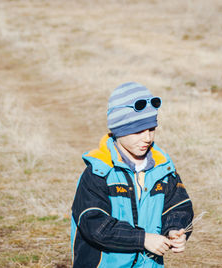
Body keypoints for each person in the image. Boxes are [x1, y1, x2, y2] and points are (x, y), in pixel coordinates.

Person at [70, 82, 194, 267]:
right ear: (118, 130)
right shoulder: (98, 173)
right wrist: (142, 239)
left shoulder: (164, 169)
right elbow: (94, 225)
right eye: (138, 131)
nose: (147, 138)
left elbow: (178, 206)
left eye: (151, 129)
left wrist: (175, 229)